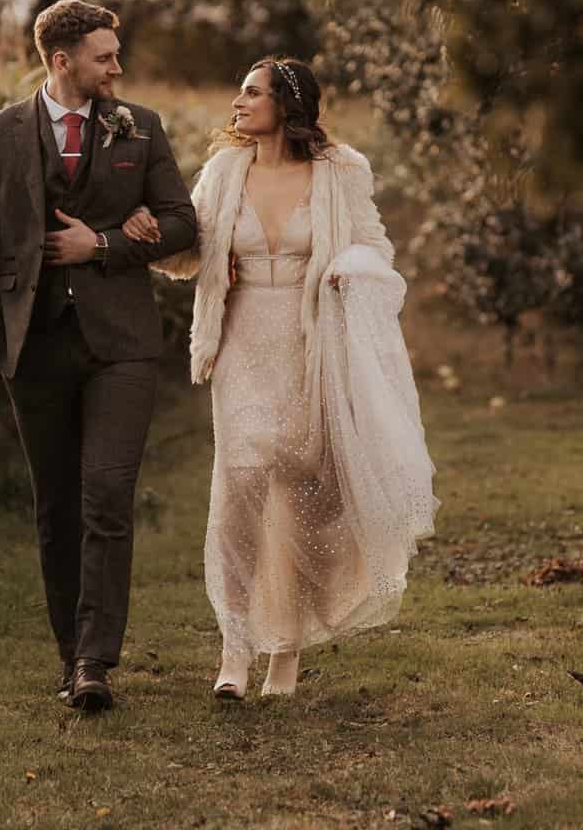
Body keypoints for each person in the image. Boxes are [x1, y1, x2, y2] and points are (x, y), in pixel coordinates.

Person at [133, 57, 436, 698]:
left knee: (296, 492)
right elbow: (191, 254)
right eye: (239, 89)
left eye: (252, 92)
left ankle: (285, 654)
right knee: (241, 486)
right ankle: (235, 650)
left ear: (286, 106)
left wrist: (345, 270)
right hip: (241, 345)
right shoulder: (224, 171)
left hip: (308, 344)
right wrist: (150, 236)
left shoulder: (339, 173)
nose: (238, 101)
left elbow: (375, 248)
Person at [0, 0, 197, 712]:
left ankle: (96, 659)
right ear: (62, 62)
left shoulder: (138, 126)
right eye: (104, 56)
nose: (117, 67)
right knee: (56, 506)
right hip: (34, 348)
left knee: (108, 496)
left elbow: (182, 222)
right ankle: (71, 658)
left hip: (121, 347)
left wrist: (109, 244)